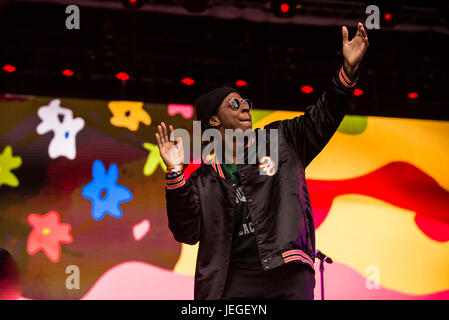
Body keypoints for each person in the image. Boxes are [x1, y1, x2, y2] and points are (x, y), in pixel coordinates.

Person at [156, 22, 369, 300]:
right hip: (233, 279)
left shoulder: (282, 140)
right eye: (234, 103)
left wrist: (347, 72)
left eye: (245, 102)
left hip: (286, 269)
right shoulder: (203, 181)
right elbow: (187, 231)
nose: (244, 105)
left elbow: (323, 117)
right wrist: (174, 171)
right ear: (214, 119)